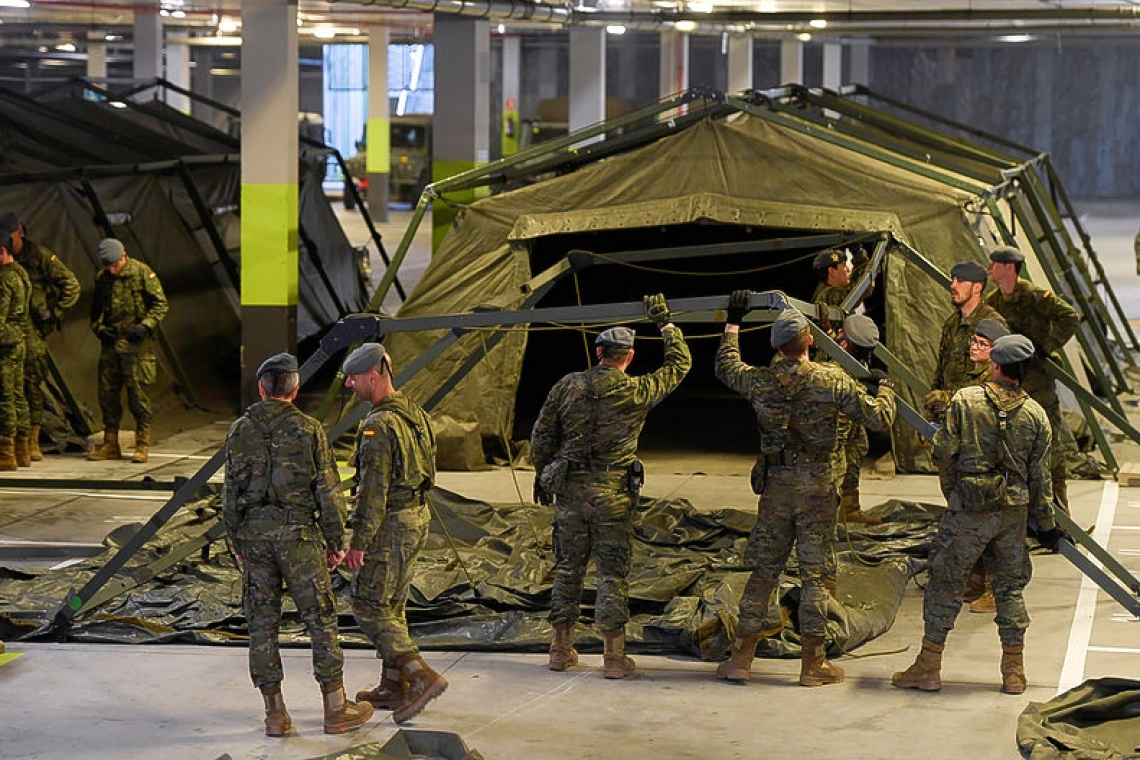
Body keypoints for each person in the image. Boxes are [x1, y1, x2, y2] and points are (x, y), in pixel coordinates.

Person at [714, 294, 895, 687]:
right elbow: (879, 419)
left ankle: (741, 658)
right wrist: (885, 387)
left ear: (777, 346)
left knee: (763, 572)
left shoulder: (761, 381)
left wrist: (733, 323)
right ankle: (813, 664)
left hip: (777, 489)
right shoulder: (831, 381)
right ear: (809, 339)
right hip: (817, 487)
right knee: (815, 577)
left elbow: (726, 366)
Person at [530, 294, 691, 679]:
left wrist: (543, 473)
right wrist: (665, 324)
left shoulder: (567, 385)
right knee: (612, 574)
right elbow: (679, 365)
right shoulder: (635, 391)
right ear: (629, 357)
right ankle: (614, 657)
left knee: (567, 568)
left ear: (599, 351)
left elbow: (541, 436)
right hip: (613, 495)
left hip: (570, 491)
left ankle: (559, 649)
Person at [892, 334, 1062, 695]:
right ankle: (1013, 671)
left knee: (945, 583)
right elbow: (1040, 478)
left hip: (968, 509)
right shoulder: (1036, 415)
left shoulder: (966, 401)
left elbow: (943, 449)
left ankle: (928, 666)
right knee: (1010, 588)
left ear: (995, 365)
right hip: (1011, 514)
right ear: (1023, 371)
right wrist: (1046, 525)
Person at [223, 352, 373, 737]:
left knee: (262, 625)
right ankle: (336, 709)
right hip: (300, 540)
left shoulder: (241, 429)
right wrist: (337, 540)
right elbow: (327, 488)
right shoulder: (309, 430)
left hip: (255, 541)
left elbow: (230, 493)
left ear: (262, 387)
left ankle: (275, 715)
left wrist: (237, 540)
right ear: (295, 388)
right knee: (321, 622)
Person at [342, 342, 447, 723]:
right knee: (393, 605)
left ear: (374, 375)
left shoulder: (377, 425)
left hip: (389, 525)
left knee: (368, 605)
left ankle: (421, 677)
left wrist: (358, 544)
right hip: (416, 519)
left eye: (354, 378)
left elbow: (373, 494)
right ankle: (392, 685)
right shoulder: (416, 414)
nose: (349, 385)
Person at [986, 245, 1079, 510]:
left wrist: (1046, 346)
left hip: (1037, 381)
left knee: (1051, 444)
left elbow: (1069, 317)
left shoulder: (1034, 295)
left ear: (1008, 267)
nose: (990, 269)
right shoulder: (994, 302)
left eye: (994, 264)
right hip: (1010, 383)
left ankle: (1061, 509)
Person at [0, 211, 80, 462]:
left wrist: (55, 313)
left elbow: (71, 285)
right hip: (12, 335)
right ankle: (19, 445)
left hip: (30, 332)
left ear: (19, 231)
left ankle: (30, 441)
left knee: (29, 386)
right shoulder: (13, 268)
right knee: (13, 389)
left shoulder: (37, 256)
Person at [87, 238, 168, 464]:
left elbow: (161, 304)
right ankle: (110, 444)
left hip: (137, 347)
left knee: (139, 397)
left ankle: (142, 443)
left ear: (123, 256)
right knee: (107, 395)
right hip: (111, 346)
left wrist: (146, 326)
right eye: (108, 266)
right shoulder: (103, 279)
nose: (112, 270)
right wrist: (100, 330)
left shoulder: (142, 273)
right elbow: (94, 315)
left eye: (115, 265)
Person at [924, 260, 1008, 422]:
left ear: (977, 287)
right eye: (953, 279)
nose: (953, 286)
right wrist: (935, 399)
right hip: (947, 411)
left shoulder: (992, 325)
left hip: (974, 414)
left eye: (960, 281)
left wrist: (955, 397)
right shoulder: (952, 323)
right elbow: (942, 368)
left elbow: (996, 376)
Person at [833, 314, 885, 525]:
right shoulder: (836, 373)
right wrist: (886, 389)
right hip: (832, 428)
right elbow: (881, 419)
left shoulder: (850, 371)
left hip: (849, 420)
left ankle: (850, 509)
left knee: (855, 449)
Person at [0, 227, 30, 471]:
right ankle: (24, 449)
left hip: (5, 345)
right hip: (19, 341)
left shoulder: (4, 279)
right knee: (19, 395)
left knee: (5, 397)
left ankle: (6, 453)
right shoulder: (20, 273)